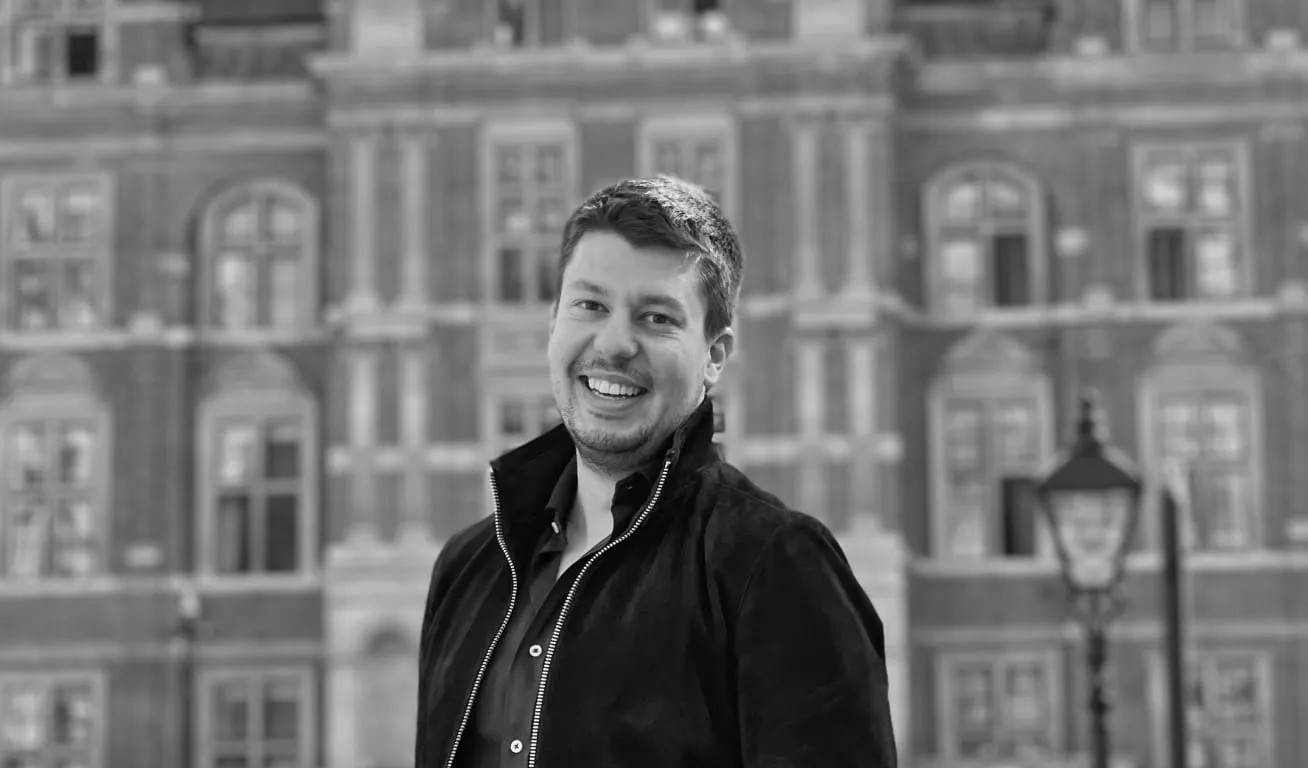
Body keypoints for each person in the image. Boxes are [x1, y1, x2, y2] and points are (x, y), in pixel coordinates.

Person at [415, 176, 896, 768]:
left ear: (714, 356)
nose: (615, 343)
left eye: (657, 317)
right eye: (590, 306)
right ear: (554, 323)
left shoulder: (773, 562)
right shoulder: (468, 568)